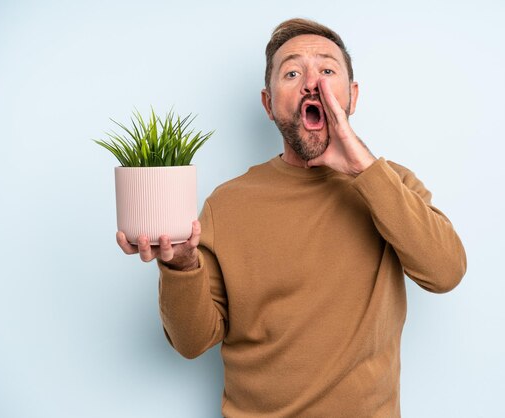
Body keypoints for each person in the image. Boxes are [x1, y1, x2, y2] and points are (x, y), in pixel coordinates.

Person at [117, 18, 467, 417]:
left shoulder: (392, 185)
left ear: (351, 96)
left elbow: (446, 272)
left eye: (328, 69)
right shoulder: (228, 203)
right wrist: (180, 264)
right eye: (293, 72)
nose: (312, 82)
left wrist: (364, 170)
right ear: (268, 103)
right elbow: (191, 342)